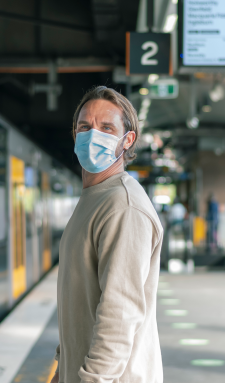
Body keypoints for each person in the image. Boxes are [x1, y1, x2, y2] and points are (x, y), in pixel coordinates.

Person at [52, 86, 163, 383]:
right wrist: (61, 371)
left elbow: (119, 314)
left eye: (106, 127)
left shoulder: (124, 206)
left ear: (127, 141)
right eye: (85, 127)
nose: (92, 135)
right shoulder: (95, 197)